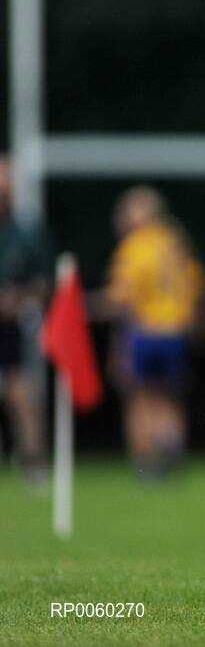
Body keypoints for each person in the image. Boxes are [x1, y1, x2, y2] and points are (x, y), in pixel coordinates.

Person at [104, 186, 205, 480]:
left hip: (143, 332)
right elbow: (197, 290)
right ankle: (171, 447)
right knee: (169, 399)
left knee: (140, 399)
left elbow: (121, 300)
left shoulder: (134, 247)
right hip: (175, 333)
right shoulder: (176, 245)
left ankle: (146, 464)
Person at [0, 156, 50, 487]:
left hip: (10, 327)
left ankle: (32, 460)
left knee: (20, 392)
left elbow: (43, 282)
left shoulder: (25, 231)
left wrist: (17, 299)